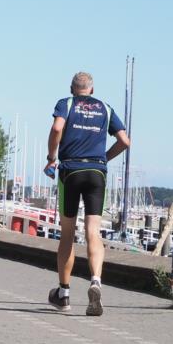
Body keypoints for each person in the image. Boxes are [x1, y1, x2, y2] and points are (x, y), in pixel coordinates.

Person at [45, 71, 130, 316]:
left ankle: (63, 293)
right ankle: (95, 281)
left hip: (70, 170)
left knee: (68, 233)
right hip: (96, 172)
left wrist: (51, 157)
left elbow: (57, 127)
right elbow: (124, 141)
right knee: (93, 231)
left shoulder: (66, 104)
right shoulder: (105, 108)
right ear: (92, 90)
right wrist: (104, 158)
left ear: (72, 88)